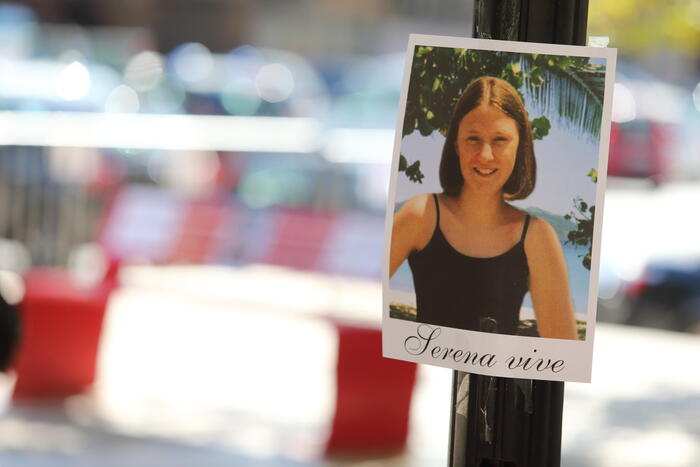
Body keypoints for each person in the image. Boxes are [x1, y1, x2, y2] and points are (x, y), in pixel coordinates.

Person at [390, 76, 577, 340]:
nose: (486, 155)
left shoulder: (538, 236)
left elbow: (563, 351)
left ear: (520, 146)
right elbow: (362, 294)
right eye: (473, 138)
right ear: (456, 144)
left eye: (500, 139)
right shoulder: (421, 214)